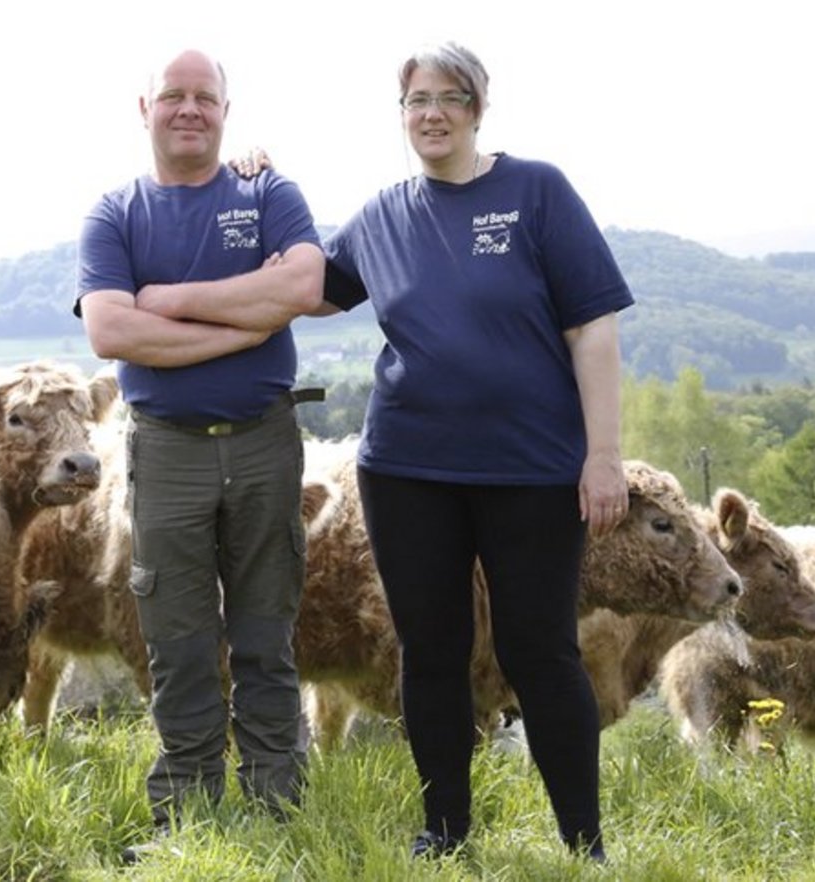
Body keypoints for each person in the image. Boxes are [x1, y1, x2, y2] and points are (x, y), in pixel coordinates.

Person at [248, 41, 629, 861]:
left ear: (478, 109)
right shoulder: (384, 214)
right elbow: (306, 287)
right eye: (416, 99)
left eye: (450, 97)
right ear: (403, 113)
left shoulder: (536, 190)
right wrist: (263, 188)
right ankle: (444, 832)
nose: (431, 112)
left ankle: (584, 845)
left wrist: (604, 455)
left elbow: (592, 326)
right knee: (430, 651)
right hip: (407, 470)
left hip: (532, 470)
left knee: (540, 650)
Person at [74, 48, 326, 863]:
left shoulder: (267, 191)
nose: (190, 109)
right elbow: (112, 331)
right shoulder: (114, 215)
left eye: (205, 97)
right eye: (174, 96)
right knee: (176, 638)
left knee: (266, 629)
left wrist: (174, 304)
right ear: (143, 107)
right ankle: (185, 809)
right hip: (166, 452)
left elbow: (302, 287)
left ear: (226, 108)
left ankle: (276, 801)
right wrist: (245, 322)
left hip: (263, 443)